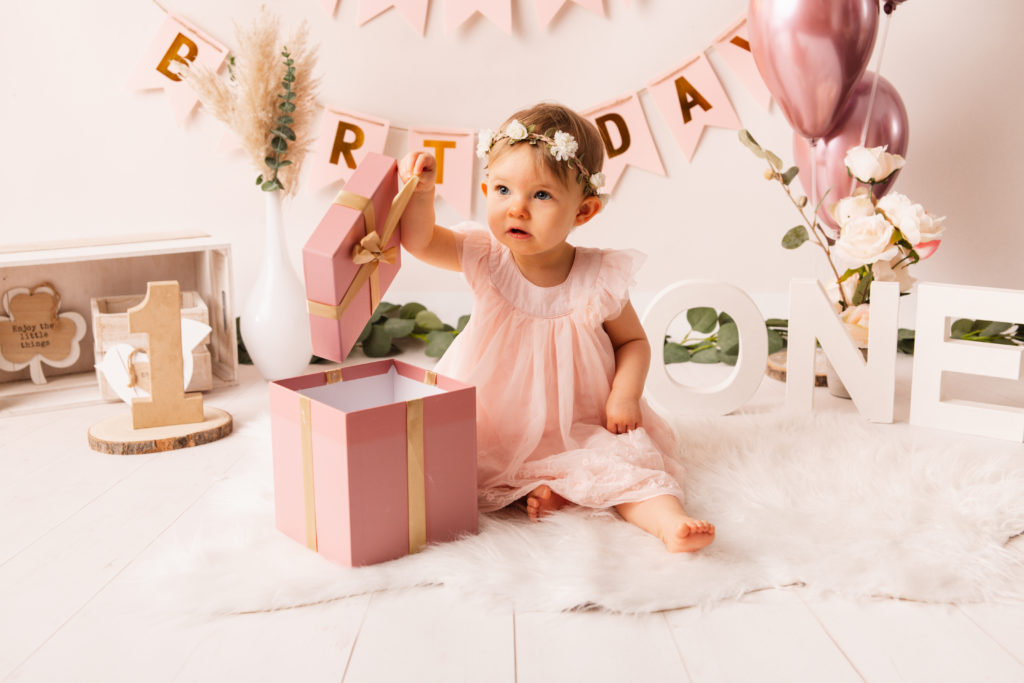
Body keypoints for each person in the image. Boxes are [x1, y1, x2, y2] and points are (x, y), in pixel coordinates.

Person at [398, 103, 714, 553]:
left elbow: (634, 342)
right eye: (503, 190)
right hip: (496, 420)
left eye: (541, 196)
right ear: (486, 188)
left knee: (627, 466)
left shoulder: (598, 276)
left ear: (583, 212)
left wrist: (624, 395)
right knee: (445, 465)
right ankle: (550, 491)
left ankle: (669, 522)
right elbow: (421, 240)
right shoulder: (484, 256)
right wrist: (422, 192)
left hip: (580, 421)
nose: (518, 209)